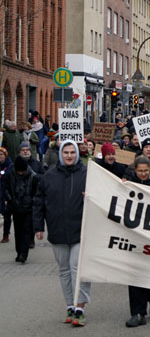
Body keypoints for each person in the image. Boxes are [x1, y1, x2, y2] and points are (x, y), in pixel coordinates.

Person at [33, 140, 91, 327]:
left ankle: (80, 308)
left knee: (77, 269)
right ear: (60, 154)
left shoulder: (87, 174)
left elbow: (103, 193)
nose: (69, 156)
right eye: (65, 152)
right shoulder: (49, 176)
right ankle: (70, 306)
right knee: (64, 270)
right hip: (57, 229)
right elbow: (39, 201)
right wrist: (39, 226)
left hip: (80, 230)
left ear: (77, 154)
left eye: (72, 152)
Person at [123, 156, 150, 327]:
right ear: (135, 170)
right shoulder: (127, 185)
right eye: (139, 171)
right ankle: (137, 313)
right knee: (134, 276)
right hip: (133, 237)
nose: (143, 174)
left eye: (145, 171)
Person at [4, 156, 39, 263]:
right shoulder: (11, 175)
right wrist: (11, 201)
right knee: (18, 232)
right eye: (18, 171)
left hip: (28, 209)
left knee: (26, 232)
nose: (20, 173)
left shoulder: (33, 177)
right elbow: (6, 189)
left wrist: (32, 204)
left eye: (22, 171)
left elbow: (36, 193)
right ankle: (19, 252)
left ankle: (24, 254)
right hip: (16, 208)